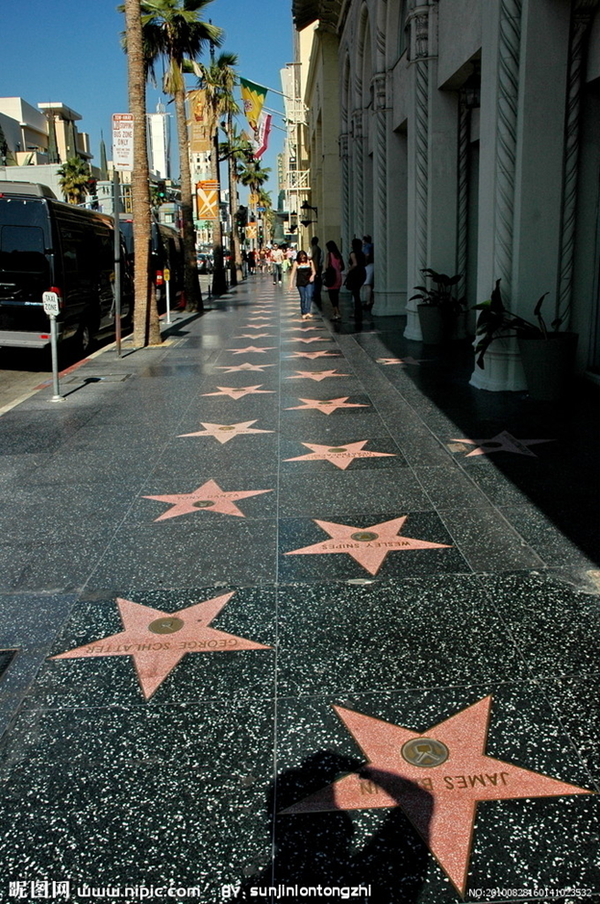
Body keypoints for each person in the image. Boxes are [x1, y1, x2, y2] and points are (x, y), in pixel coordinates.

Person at [288, 249, 316, 319]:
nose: (303, 259)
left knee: (309, 296)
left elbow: (314, 271)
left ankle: (308, 311)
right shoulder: (296, 263)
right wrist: (291, 284)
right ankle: (303, 312)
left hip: (308, 281)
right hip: (300, 283)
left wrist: (312, 276)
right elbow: (292, 274)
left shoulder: (310, 262)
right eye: (301, 257)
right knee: (303, 297)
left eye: (304, 257)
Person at [346, 237, 367, 323]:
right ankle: (358, 311)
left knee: (355, 293)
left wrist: (349, 270)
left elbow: (354, 264)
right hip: (362, 273)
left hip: (355, 274)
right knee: (356, 292)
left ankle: (357, 312)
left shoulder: (352, 253)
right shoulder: (362, 253)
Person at [324, 240, 344, 321]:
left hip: (331, 276)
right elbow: (341, 267)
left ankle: (337, 312)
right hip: (338, 276)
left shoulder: (329, 255)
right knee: (336, 295)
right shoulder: (338, 255)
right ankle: (336, 312)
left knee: (332, 296)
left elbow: (326, 266)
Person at [310, 236, 323, 307]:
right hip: (316, 266)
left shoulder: (314, 248)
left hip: (315, 267)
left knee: (315, 281)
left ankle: (315, 294)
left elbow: (311, 256)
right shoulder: (317, 248)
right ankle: (315, 294)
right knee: (316, 281)